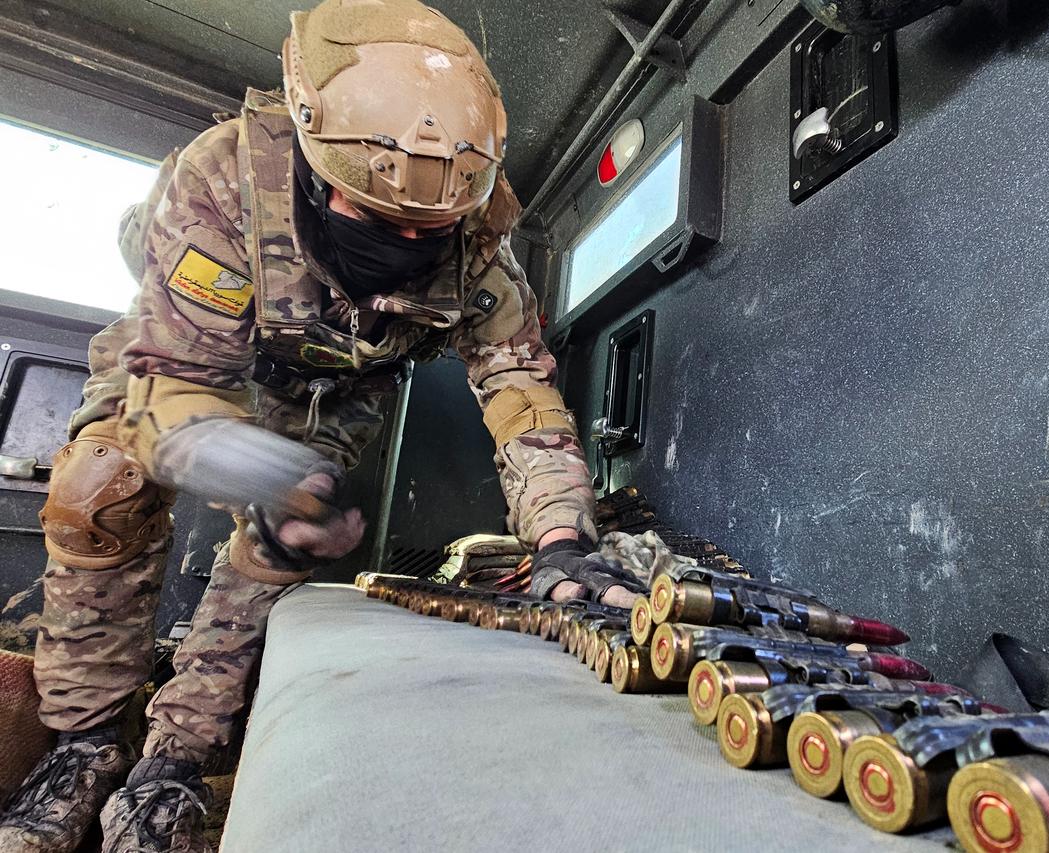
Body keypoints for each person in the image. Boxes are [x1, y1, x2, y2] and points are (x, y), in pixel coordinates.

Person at [0, 1, 643, 849]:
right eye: (382, 222)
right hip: (190, 363)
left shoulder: (481, 239)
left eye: (429, 230)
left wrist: (562, 534)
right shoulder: (223, 181)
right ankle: (82, 741)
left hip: (338, 391)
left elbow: (519, 387)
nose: (412, 240)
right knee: (103, 488)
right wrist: (261, 472)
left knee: (276, 553)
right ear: (315, 163)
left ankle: (176, 755)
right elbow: (178, 395)